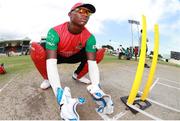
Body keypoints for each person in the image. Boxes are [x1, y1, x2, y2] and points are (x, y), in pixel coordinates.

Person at [30, 2, 114, 120]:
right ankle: (47, 78)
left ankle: (77, 75)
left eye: (87, 13)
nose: (85, 15)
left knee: (97, 53)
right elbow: (51, 63)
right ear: (70, 14)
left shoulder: (90, 37)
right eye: (80, 11)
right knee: (35, 49)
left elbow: (92, 64)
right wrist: (59, 94)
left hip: (74, 55)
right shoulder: (55, 32)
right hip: (56, 55)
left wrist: (96, 86)